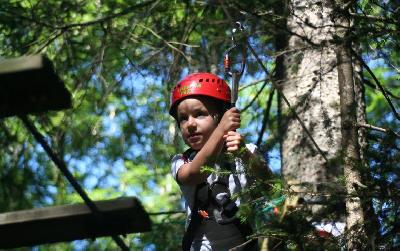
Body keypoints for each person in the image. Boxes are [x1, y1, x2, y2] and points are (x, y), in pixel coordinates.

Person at [169, 72, 270, 251]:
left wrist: (244, 154)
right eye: (183, 118)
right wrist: (221, 130)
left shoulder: (246, 151)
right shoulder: (181, 161)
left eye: (199, 114)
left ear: (221, 115)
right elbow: (194, 174)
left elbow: (270, 185)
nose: (190, 124)